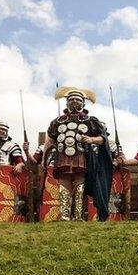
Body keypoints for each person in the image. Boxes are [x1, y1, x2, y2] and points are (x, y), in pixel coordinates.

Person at [43, 87, 113, 221]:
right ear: (67, 102)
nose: (74, 101)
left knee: (80, 186)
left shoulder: (90, 120)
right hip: (63, 156)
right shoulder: (57, 122)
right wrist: (44, 159)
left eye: (77, 99)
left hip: (82, 157)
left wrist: (91, 139)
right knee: (64, 185)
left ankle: (78, 216)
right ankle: (64, 216)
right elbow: (50, 140)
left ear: (83, 103)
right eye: (71, 99)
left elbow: (103, 138)